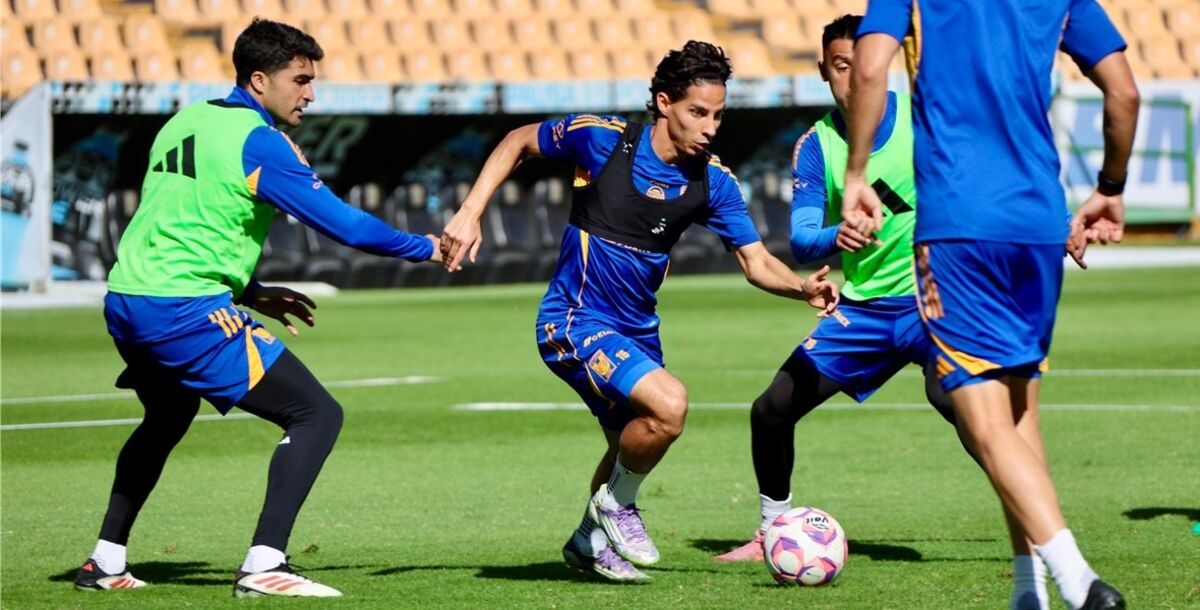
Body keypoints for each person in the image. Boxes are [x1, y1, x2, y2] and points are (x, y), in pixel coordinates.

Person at [439, 41, 838, 582]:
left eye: (719, 115)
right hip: (573, 320)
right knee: (671, 404)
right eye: (698, 112)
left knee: (634, 437)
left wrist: (801, 290)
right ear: (663, 102)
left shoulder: (713, 183)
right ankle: (618, 507)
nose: (710, 127)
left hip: (637, 332)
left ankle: (587, 541)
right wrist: (470, 212)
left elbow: (756, 260)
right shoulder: (602, 141)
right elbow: (517, 141)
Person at [73, 18, 440, 598]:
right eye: (300, 80)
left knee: (167, 417)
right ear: (260, 78)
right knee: (316, 414)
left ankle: (104, 561)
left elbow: (178, 224)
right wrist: (428, 248)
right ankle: (265, 564)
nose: (310, 94)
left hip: (127, 300)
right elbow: (343, 224)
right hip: (182, 310)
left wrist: (250, 291)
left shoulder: (184, 121)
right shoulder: (259, 140)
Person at [843, 2, 1137, 609]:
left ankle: (1078, 580)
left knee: (983, 421)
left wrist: (856, 173)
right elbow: (1125, 94)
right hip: (1037, 223)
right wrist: (1110, 188)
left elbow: (869, 68)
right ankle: (1029, 590)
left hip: (959, 223)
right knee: (1018, 413)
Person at [713, 10, 955, 561]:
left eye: (862, 64)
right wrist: (836, 236)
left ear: (885, 64)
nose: (853, 78)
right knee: (770, 410)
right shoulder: (817, 145)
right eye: (840, 66)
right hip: (864, 312)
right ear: (824, 71)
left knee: (957, 400)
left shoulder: (926, 116)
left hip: (932, 302)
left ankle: (1031, 522)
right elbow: (800, 241)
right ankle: (772, 531)